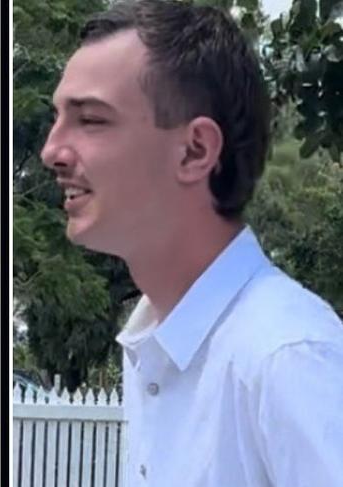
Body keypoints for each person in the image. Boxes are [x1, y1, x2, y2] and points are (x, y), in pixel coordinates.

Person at [39, 1, 343, 486]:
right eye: (57, 118)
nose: (51, 150)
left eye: (91, 119)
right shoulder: (156, 346)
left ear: (195, 150)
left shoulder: (289, 358)